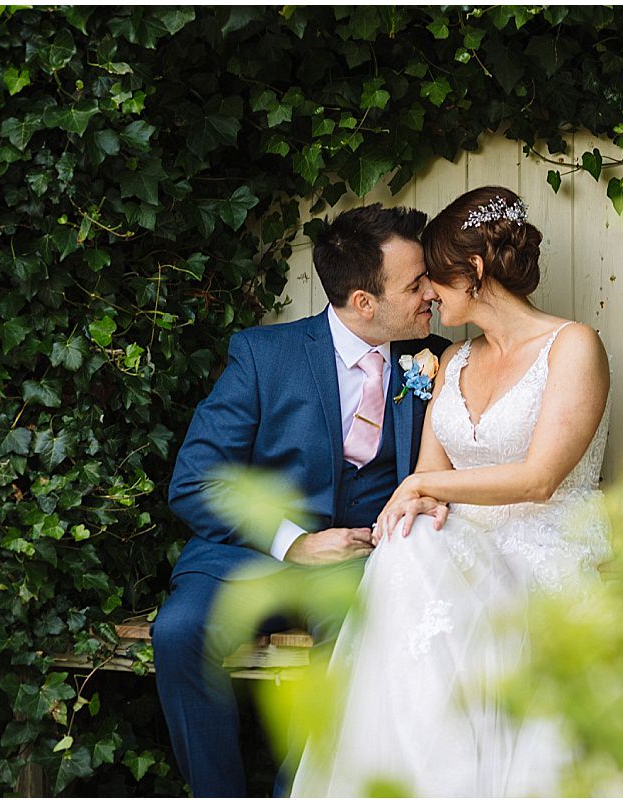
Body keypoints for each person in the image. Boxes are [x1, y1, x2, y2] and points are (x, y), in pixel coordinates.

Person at [291, 186, 623, 797]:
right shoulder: (456, 363)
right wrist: (416, 498)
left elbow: (541, 477)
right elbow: (431, 489)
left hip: (549, 560)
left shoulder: (573, 347)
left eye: (433, 277)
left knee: (420, 556)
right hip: (470, 560)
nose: (429, 293)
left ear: (475, 273)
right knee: (408, 548)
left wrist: (419, 483)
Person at [153, 204, 451, 797]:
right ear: (364, 301)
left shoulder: (438, 359)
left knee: (360, 642)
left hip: (365, 562)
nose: (432, 295)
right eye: (416, 283)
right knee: (179, 632)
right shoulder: (265, 356)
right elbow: (195, 480)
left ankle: (302, 793)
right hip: (251, 555)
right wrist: (293, 544)